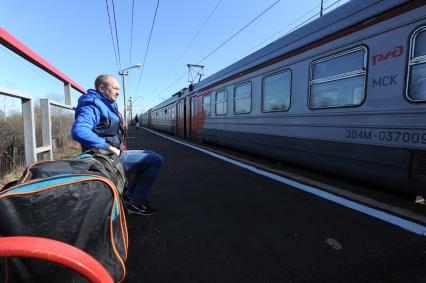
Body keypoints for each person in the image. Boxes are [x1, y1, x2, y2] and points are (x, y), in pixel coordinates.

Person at [71, 74, 163, 216]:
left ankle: (131, 197)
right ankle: (136, 203)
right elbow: (79, 131)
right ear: (102, 88)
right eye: (114, 88)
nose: (118, 92)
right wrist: (108, 147)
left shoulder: (106, 104)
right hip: (104, 158)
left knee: (150, 155)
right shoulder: (93, 104)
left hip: (112, 155)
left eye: (119, 89)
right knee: (155, 160)